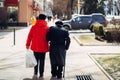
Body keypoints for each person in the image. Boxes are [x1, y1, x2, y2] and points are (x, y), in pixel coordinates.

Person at [26, 14, 49, 79]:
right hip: (43, 47)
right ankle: (41, 75)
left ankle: (35, 74)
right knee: (42, 61)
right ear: (45, 19)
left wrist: (27, 44)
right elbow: (49, 38)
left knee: (35, 61)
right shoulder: (47, 27)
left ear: (38, 18)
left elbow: (29, 36)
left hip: (35, 47)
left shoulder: (33, 27)